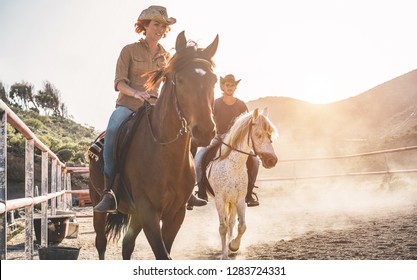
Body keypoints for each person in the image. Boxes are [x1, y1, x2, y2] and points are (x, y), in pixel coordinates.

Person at [94, 5, 207, 213]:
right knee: (112, 130)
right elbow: (119, 83)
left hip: (156, 108)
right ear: (144, 25)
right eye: (156, 24)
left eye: (164, 26)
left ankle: (187, 190)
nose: (161, 29)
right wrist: (136, 93)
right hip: (128, 106)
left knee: (187, 132)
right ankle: (109, 190)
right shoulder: (128, 50)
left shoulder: (166, 56)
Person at [192, 74, 261, 208]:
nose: (230, 87)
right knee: (199, 157)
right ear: (223, 86)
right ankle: (201, 192)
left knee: (255, 161)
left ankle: (249, 193)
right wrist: (215, 134)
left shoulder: (241, 104)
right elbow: (208, 120)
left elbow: (248, 123)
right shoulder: (215, 103)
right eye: (227, 85)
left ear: (235, 87)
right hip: (218, 138)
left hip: (237, 140)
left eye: (232, 85)